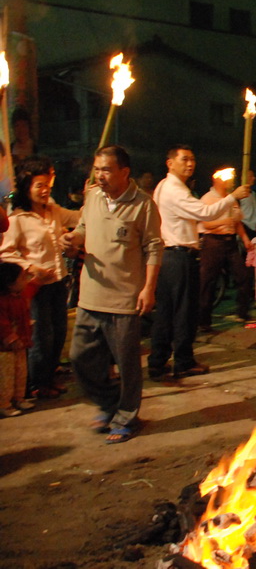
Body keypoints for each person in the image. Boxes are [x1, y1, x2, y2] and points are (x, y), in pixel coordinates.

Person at [64, 145, 163, 443]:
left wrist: (148, 288)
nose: (100, 175)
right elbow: (83, 226)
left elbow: (154, 248)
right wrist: (74, 240)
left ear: (124, 172)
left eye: (106, 170)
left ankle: (126, 417)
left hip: (124, 299)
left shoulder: (143, 205)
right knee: (80, 358)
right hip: (90, 294)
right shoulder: (93, 196)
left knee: (127, 364)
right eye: (97, 169)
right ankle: (108, 403)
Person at [150, 145, 249, 380]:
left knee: (166, 311)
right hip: (178, 255)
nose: (190, 163)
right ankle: (182, 361)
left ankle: (158, 361)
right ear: (170, 163)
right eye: (184, 159)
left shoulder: (168, 187)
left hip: (170, 254)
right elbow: (204, 213)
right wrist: (232, 198)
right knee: (184, 311)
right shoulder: (173, 189)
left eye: (192, 159)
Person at [0, 156, 80, 399]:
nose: (45, 190)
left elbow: (78, 218)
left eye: (48, 185)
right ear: (27, 187)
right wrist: (31, 267)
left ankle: (48, 378)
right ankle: (35, 384)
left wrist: (93, 197)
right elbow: (6, 252)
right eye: (39, 185)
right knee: (40, 337)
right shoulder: (18, 219)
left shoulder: (53, 211)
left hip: (58, 282)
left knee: (57, 334)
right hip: (35, 288)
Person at [198, 168, 253, 331]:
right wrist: (224, 222)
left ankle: (243, 312)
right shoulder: (207, 199)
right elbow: (204, 224)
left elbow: (238, 223)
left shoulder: (232, 199)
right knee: (208, 281)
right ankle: (203, 321)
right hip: (213, 242)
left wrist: (244, 238)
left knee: (243, 276)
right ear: (217, 180)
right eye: (226, 178)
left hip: (231, 243)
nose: (229, 181)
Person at [0, 262, 33, 417]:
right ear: (10, 282)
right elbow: (3, 324)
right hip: (5, 348)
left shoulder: (20, 296)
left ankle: (19, 398)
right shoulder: (3, 301)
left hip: (21, 343)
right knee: (6, 376)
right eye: (22, 278)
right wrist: (11, 339)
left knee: (21, 372)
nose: (25, 280)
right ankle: (4, 404)